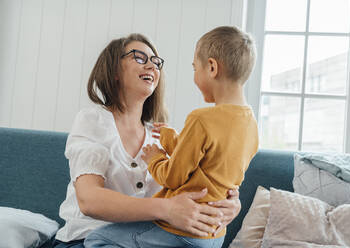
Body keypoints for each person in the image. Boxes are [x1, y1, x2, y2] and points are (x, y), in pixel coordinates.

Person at [53, 33, 241, 248]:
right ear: (114, 70)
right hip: (86, 239)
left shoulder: (164, 136)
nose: (152, 66)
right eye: (140, 58)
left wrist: (229, 203)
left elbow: (202, 182)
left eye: (156, 62)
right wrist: (167, 209)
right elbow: (89, 200)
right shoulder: (92, 120)